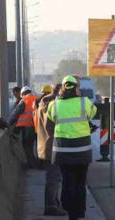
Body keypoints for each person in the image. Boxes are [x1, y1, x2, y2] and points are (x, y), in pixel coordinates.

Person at [46, 75, 97, 220]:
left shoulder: (54, 105)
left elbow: (51, 117)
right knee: (80, 182)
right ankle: (79, 212)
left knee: (67, 181)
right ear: (76, 88)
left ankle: (69, 210)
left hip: (62, 151)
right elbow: (93, 113)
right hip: (82, 151)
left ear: (62, 88)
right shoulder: (84, 102)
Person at [35, 84, 67, 216]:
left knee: (55, 177)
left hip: (46, 146)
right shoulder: (50, 104)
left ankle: (55, 203)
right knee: (54, 178)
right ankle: (50, 206)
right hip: (51, 147)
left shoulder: (43, 102)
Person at [9, 86, 37, 168]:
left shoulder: (24, 101)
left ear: (23, 93)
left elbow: (15, 114)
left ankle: (31, 164)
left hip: (27, 127)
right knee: (34, 146)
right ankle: (38, 163)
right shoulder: (36, 99)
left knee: (27, 146)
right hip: (36, 126)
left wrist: (8, 123)